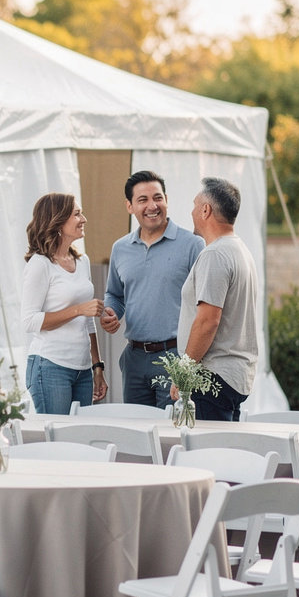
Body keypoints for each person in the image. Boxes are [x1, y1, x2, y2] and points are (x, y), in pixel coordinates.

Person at [100, 170, 204, 407]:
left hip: (175, 356)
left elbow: (206, 306)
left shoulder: (193, 245)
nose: (152, 206)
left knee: (173, 432)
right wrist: (111, 311)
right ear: (130, 206)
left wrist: (190, 361)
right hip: (134, 359)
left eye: (157, 198)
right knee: (138, 432)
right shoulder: (120, 248)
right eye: (142, 200)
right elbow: (115, 294)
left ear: (166, 199)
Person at [175, 177, 259, 421]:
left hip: (212, 378)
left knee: (206, 455)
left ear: (205, 210)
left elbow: (207, 321)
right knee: (225, 453)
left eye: (194, 205)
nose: (191, 212)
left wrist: (184, 373)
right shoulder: (240, 250)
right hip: (234, 378)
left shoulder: (215, 255)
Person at [21, 193, 108, 414]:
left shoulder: (82, 261)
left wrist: (97, 366)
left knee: (79, 439)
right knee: (56, 440)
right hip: (50, 366)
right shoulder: (40, 264)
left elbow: (88, 322)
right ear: (57, 221)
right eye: (77, 214)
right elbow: (29, 321)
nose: (84, 219)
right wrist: (78, 310)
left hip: (83, 369)